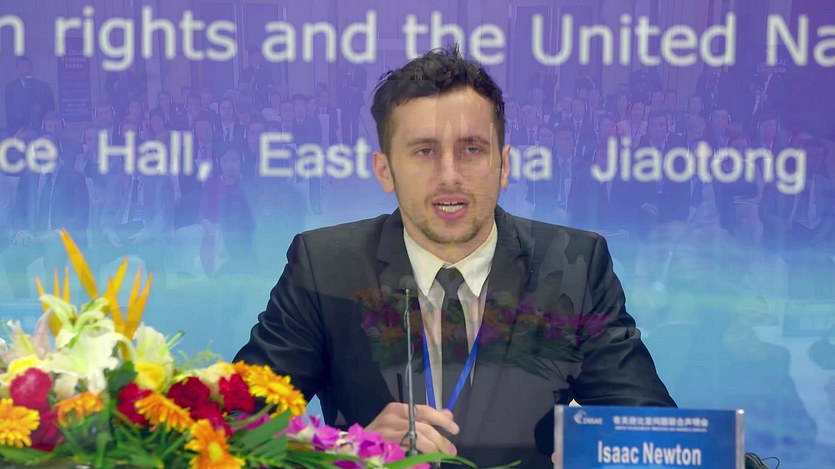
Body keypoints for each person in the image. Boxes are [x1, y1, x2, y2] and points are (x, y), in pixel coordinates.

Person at [235, 47, 674, 466]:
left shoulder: (573, 267)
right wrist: (348, 451)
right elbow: (231, 427)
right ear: (385, 170)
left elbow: (657, 437)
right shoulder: (326, 267)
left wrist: (596, 454)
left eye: (472, 149)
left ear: (504, 165)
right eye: (424, 151)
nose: (449, 175)